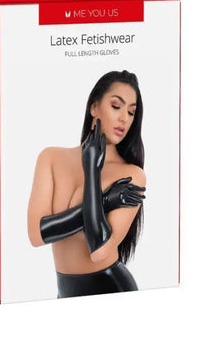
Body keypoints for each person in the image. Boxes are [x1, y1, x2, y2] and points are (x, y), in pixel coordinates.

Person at [27, 70, 146, 298]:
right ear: (94, 107)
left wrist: (92, 170)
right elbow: (36, 235)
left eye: (131, 112)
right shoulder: (50, 158)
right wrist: (105, 201)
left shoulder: (131, 175)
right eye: (116, 106)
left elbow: (99, 250)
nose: (124, 118)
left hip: (111, 289)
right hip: (65, 291)